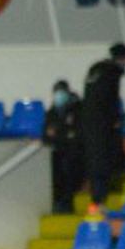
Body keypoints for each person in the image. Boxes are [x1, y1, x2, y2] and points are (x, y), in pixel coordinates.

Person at [81, 42, 125, 215]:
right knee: (103, 162)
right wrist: (115, 119)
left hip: (89, 123)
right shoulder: (111, 73)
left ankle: (97, 199)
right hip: (102, 126)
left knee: (95, 161)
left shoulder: (96, 70)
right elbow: (110, 99)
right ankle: (99, 201)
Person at [43, 80, 85, 214]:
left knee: (69, 169)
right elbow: (46, 135)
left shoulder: (78, 109)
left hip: (74, 152)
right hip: (56, 151)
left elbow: (76, 133)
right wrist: (63, 133)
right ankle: (58, 203)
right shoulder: (51, 113)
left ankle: (68, 203)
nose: (59, 96)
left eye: (61, 92)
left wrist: (60, 133)